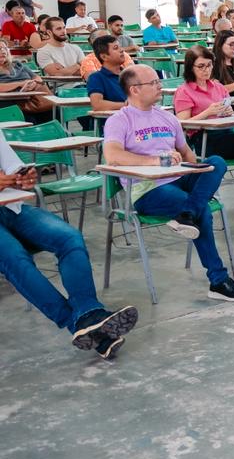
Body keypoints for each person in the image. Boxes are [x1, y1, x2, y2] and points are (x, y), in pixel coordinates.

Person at [102, 65, 234, 301]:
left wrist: (195, 171)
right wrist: (154, 160)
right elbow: (112, 156)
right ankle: (218, 281)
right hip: (147, 189)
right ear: (134, 89)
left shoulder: (166, 116)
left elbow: (187, 154)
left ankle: (187, 213)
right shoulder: (119, 120)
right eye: (153, 83)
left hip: (179, 179)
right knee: (201, 209)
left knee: (216, 162)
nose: (159, 86)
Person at [0, 135, 138, 361]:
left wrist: (22, 178)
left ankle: (89, 312)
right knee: (15, 259)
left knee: (69, 238)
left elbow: (13, 170)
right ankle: (79, 323)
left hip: (11, 207)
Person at [172, 46, 234, 223]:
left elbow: (228, 110)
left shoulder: (217, 87)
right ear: (190, 67)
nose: (206, 70)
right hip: (206, 140)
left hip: (228, 136)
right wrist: (208, 112)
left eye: (209, 65)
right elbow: (182, 122)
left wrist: (228, 112)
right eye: (201, 66)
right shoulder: (184, 90)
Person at [0, 41, 53, 120]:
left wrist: (32, 84)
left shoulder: (16, 64)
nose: (3, 51)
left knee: (53, 111)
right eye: (0, 49)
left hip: (28, 97)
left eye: (5, 48)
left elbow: (37, 78)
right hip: (8, 101)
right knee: (29, 119)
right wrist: (20, 84)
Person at [86, 34, 130, 112]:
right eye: (116, 48)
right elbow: (97, 105)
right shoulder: (96, 78)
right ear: (104, 57)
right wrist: (127, 105)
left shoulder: (129, 75)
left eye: (120, 47)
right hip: (112, 121)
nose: (122, 50)